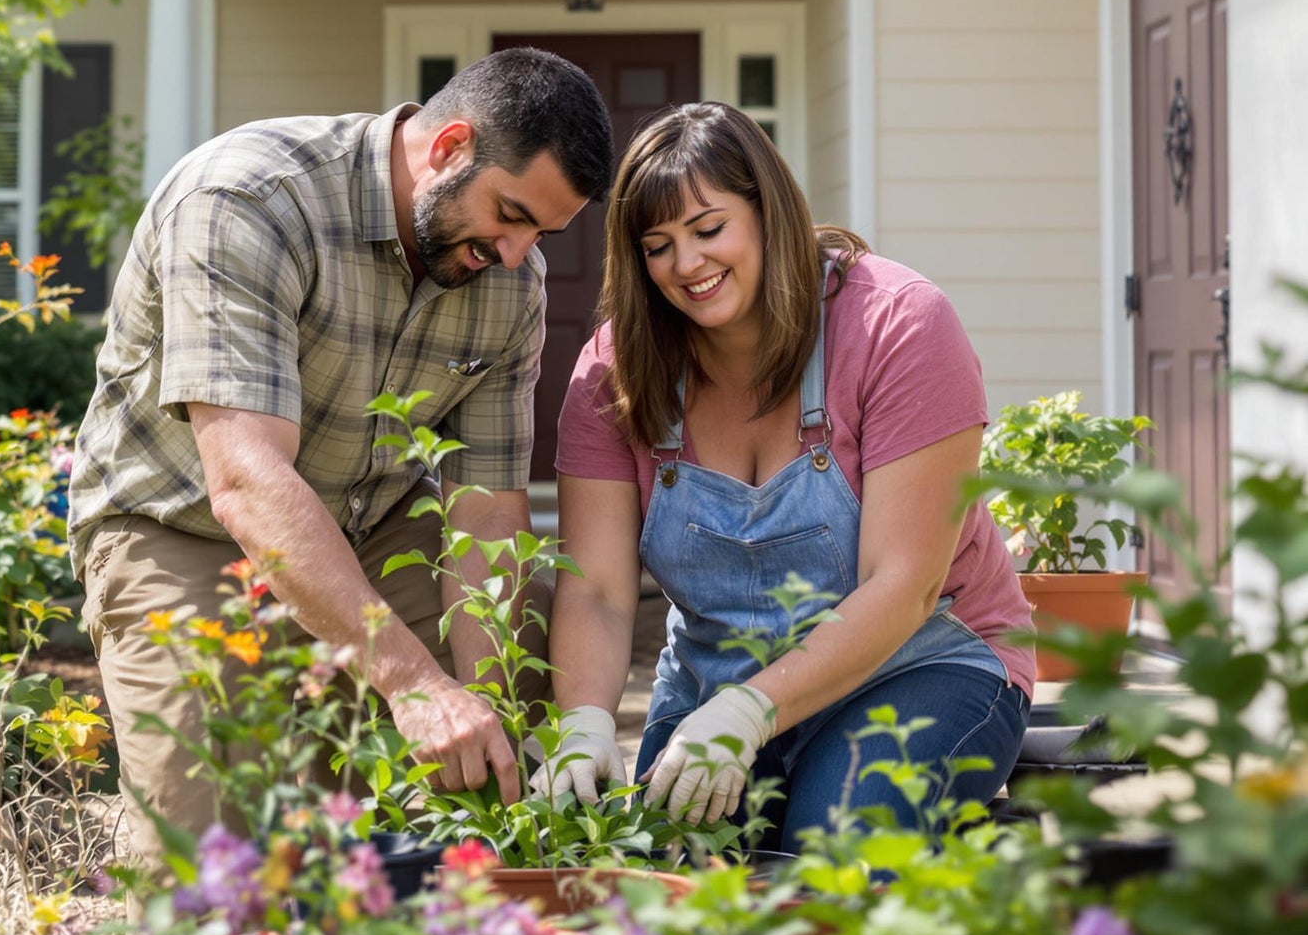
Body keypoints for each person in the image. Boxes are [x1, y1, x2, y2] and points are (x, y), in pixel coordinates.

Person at [69, 48, 614, 871]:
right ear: (448, 146)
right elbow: (247, 483)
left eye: (540, 230)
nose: (515, 251)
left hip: (370, 525)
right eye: (509, 213)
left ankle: (442, 915)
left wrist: (481, 716)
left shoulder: (511, 282)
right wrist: (417, 687)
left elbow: (486, 516)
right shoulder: (247, 198)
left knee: (526, 667)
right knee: (207, 865)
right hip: (182, 530)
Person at [538, 101, 1034, 846]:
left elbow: (904, 583)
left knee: (831, 843)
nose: (687, 263)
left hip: (923, 662)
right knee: (661, 865)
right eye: (658, 245)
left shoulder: (897, 325)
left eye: (708, 229)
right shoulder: (616, 370)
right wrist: (583, 722)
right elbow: (600, 592)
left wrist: (750, 713)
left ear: (768, 212)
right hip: (714, 683)